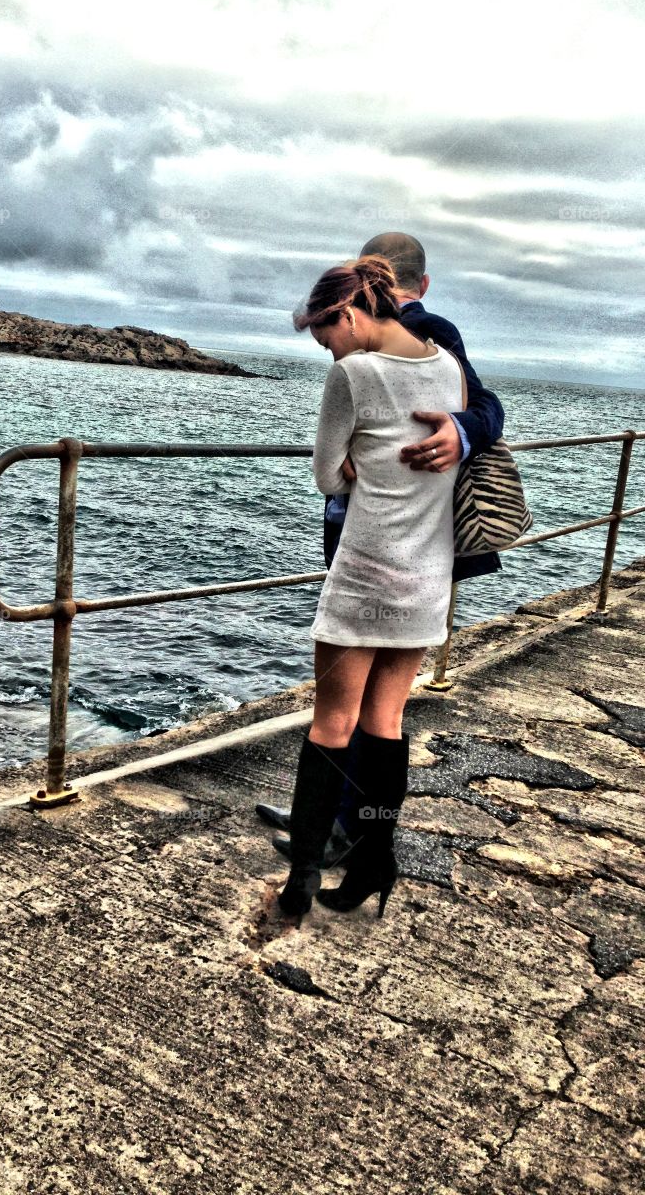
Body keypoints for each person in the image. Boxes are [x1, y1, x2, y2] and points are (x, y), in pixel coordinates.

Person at [257, 233, 505, 869]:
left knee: (342, 713)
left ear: (400, 290)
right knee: (378, 712)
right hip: (405, 551)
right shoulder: (411, 352)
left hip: (379, 546)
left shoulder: (419, 340)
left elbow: (487, 407)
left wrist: (461, 431)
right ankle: (357, 839)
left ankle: (332, 835)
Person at [277, 254, 468, 921]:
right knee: (386, 723)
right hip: (426, 578)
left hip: (364, 572)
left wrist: (361, 464)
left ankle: (300, 878)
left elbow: (328, 476)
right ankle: (373, 862)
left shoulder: (353, 374)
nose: (327, 351)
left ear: (350, 314)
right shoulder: (447, 367)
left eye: (325, 336)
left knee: (331, 724)